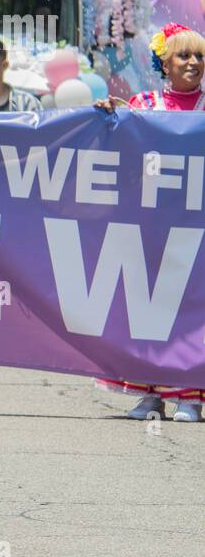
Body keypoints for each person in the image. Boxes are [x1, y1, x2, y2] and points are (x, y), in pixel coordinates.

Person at [93, 24, 205, 421]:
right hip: (151, 228)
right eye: (184, 56)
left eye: (199, 57)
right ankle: (150, 392)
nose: (193, 63)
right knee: (147, 308)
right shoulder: (143, 103)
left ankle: (189, 395)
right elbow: (121, 154)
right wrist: (109, 119)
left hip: (197, 230)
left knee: (192, 310)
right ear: (165, 62)